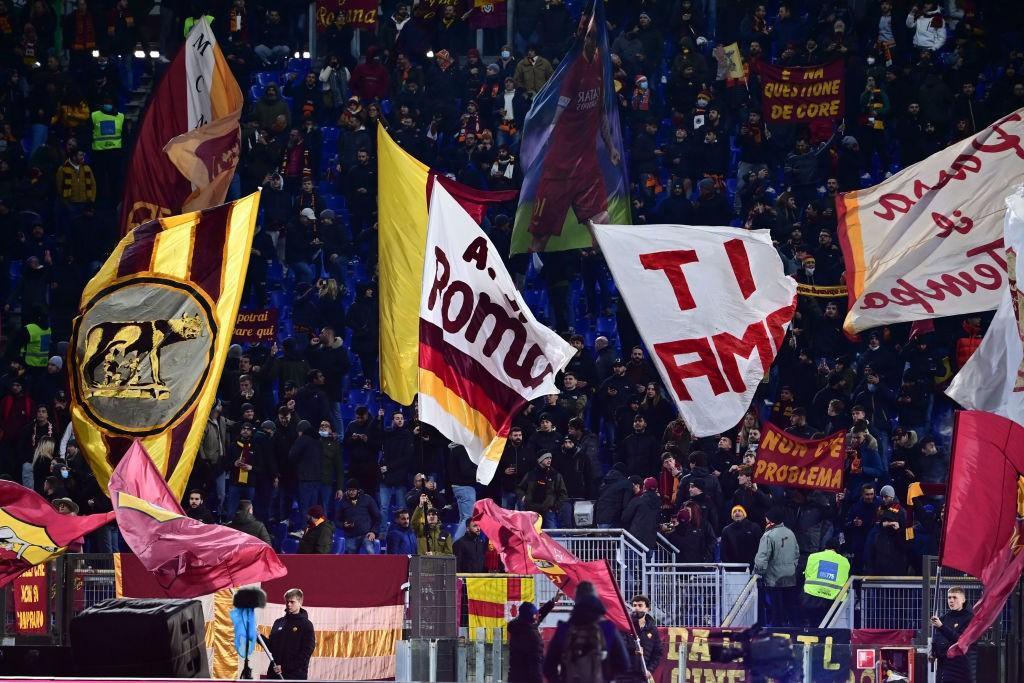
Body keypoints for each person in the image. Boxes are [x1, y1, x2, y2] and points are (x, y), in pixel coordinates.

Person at [542, 581, 630, 683]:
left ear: (577, 598)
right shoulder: (608, 628)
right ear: (596, 598)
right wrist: (607, 677)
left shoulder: (564, 629)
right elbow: (624, 664)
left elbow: (548, 667)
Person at [753, 506, 799, 626]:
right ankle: (795, 633)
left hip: (774, 579)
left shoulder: (768, 535)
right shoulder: (790, 533)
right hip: (790, 577)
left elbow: (761, 558)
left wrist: (757, 573)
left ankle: (777, 634)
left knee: (776, 611)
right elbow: (797, 554)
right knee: (791, 608)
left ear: (771, 520)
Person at [507, 594, 560, 683]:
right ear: (531, 617)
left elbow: (540, 614)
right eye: (535, 615)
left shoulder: (519, 626)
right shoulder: (532, 637)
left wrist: (553, 601)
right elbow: (535, 666)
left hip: (514, 678)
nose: (538, 615)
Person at [267, 588, 316, 680]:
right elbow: (271, 646)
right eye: (287, 602)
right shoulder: (278, 622)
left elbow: (306, 654)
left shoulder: (306, 625)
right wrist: (257, 636)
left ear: (300, 602)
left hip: (294, 676)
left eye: (292, 602)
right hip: (274, 674)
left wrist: (285, 667)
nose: (288, 604)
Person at [930, 586, 974, 682]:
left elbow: (961, 641)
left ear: (963, 599)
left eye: (955, 597)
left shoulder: (970, 619)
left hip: (961, 667)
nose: (951, 600)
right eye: (949, 597)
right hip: (943, 669)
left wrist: (941, 627)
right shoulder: (943, 618)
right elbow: (938, 639)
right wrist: (933, 652)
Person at [336, 479, 381, 554]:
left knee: (370, 551)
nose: (351, 492)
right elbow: (336, 520)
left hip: (366, 534)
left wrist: (373, 532)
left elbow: (378, 517)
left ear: (358, 490)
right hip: (351, 536)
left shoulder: (367, 499)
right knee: (351, 560)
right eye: (349, 490)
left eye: (353, 490)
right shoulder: (342, 502)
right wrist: (343, 525)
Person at [630, 595, 663, 676]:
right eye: (634, 605)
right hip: (627, 673)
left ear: (647, 609)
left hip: (642, 673)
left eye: (640, 605)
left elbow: (657, 653)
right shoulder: (627, 625)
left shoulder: (652, 629)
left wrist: (650, 670)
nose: (636, 608)